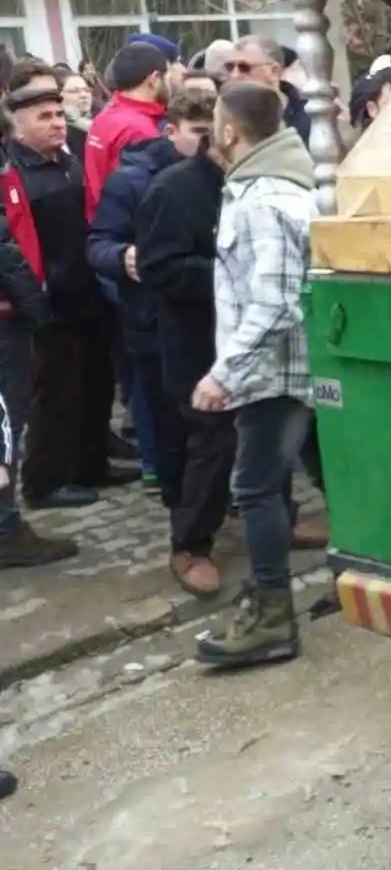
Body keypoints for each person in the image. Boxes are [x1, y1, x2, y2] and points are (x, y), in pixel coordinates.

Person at [193, 81, 315, 666]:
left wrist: (225, 373)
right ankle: (277, 596)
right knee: (284, 483)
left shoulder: (266, 198)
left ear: (229, 130)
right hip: (274, 368)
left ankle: (272, 618)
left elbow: (275, 302)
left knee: (255, 487)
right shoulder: (259, 187)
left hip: (276, 372)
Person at [87, 88, 215, 500]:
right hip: (152, 319)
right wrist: (121, 255)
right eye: (198, 131)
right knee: (168, 420)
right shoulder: (133, 180)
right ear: (170, 131)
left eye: (214, 131)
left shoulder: (225, 174)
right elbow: (97, 243)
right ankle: (179, 504)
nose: (207, 141)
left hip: (212, 315)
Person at [3, 79, 123, 509]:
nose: (57, 124)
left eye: (58, 115)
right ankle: (45, 482)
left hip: (85, 290)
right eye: (45, 117)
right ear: (17, 127)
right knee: (54, 396)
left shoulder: (69, 162)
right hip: (46, 301)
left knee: (95, 385)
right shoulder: (13, 173)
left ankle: (92, 463)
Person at [136, 98, 230, 597]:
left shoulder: (256, 183)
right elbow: (158, 267)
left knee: (276, 429)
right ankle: (190, 544)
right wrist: (233, 275)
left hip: (255, 335)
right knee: (211, 442)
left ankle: (279, 515)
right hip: (197, 338)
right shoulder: (173, 190)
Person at [84, 42, 170, 217]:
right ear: (153, 79)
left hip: (102, 223)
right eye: (166, 77)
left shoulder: (104, 116)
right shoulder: (140, 130)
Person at [225, 35, 310, 145]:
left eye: (244, 67)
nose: (234, 75)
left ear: (275, 71)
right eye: (230, 67)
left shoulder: (310, 115)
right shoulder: (224, 115)